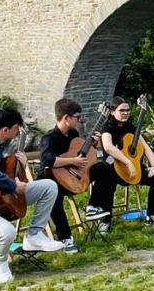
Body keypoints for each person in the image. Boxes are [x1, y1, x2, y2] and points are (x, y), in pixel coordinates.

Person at [0, 107, 64, 283]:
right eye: (16, 128)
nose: (18, 131)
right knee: (7, 233)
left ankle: (34, 235)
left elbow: (2, 173)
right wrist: (14, 186)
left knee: (48, 187)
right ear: (5, 130)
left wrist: (20, 165)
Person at [38, 97, 109, 252]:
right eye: (77, 117)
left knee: (104, 168)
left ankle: (93, 205)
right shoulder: (49, 138)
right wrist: (73, 160)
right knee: (53, 195)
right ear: (66, 118)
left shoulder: (73, 133)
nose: (79, 120)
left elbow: (81, 153)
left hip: (74, 178)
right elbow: (46, 161)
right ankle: (65, 238)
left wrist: (94, 144)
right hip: (53, 180)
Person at [90, 97, 154, 229]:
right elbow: (108, 147)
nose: (125, 113)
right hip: (115, 167)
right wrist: (127, 162)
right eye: (122, 110)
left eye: (127, 110)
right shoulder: (107, 127)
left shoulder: (131, 128)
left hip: (135, 168)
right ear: (112, 112)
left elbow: (146, 147)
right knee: (108, 183)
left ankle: (152, 215)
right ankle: (105, 221)